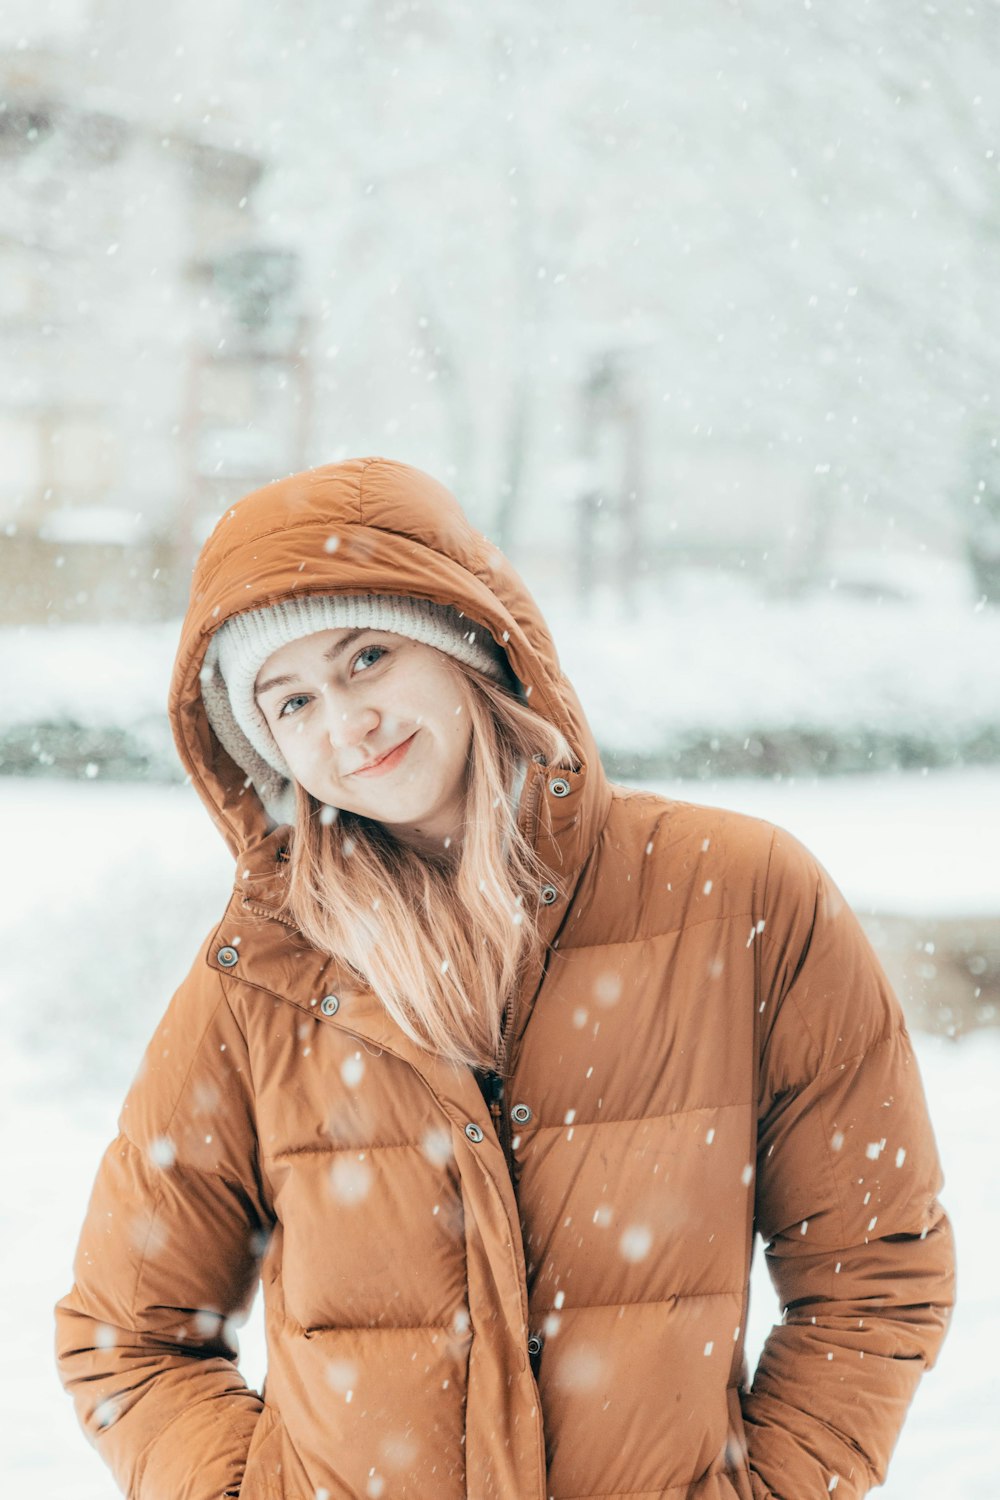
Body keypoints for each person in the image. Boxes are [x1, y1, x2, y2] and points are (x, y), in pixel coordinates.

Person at [55, 456, 954, 1500]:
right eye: (290, 701)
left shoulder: (741, 898)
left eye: (368, 656)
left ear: (468, 639)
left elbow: (873, 1269)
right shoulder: (262, 978)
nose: (347, 725)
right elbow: (127, 1333)